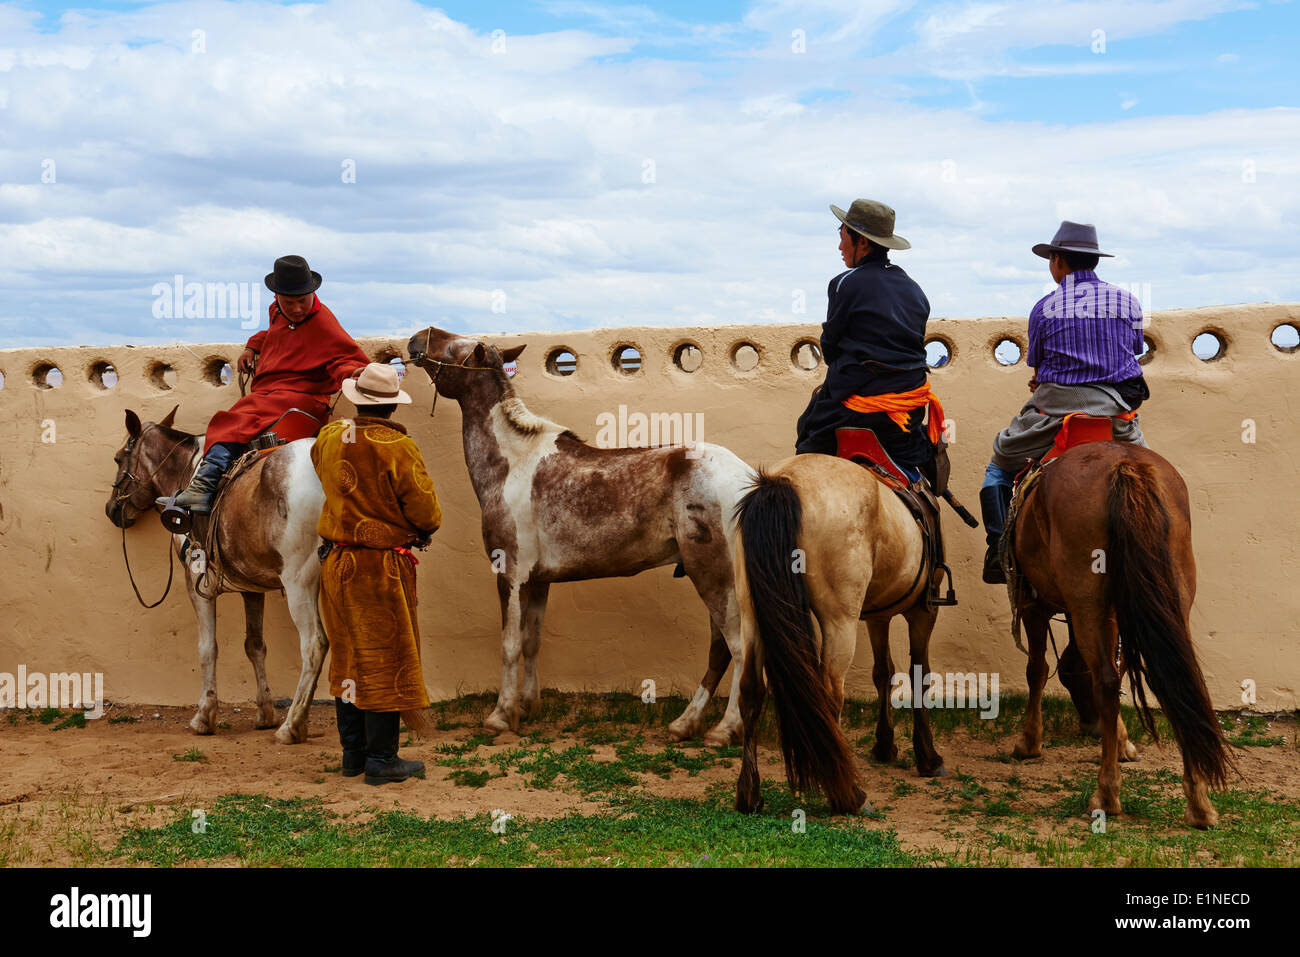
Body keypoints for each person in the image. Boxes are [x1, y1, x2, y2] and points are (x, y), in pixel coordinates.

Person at [980, 221, 1149, 585]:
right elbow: (1132, 351)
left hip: (1055, 413)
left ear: (1057, 261)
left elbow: (1039, 369)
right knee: (1151, 477)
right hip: (1116, 416)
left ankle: (996, 550)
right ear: (1094, 261)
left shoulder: (1044, 308)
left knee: (998, 465)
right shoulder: (1128, 300)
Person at [312, 362, 443, 785]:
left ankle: (354, 754)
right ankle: (382, 759)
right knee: (384, 658)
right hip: (378, 569)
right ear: (392, 407)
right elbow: (427, 511)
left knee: (348, 656)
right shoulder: (397, 447)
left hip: (335, 565)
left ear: (355, 398)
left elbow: (320, 469)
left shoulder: (330, 437)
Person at [158, 255, 370, 512]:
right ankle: (206, 487)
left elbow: (342, 358)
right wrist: (252, 346)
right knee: (239, 417)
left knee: (231, 421)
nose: (296, 309)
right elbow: (274, 333)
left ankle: (202, 489)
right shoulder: (277, 312)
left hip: (302, 399)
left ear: (313, 293)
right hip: (270, 394)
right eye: (288, 302)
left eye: (302, 301)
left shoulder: (323, 322)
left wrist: (354, 373)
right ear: (276, 297)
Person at [795, 199, 943, 480]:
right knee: (916, 451)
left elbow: (830, 348)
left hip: (859, 411)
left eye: (842, 239)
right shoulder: (914, 289)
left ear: (861, 242)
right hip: (910, 409)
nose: (840, 248)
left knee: (808, 431)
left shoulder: (845, 283)